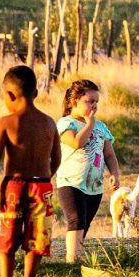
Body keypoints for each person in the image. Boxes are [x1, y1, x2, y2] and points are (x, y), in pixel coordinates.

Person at [0, 65, 61, 277]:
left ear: (9, 95)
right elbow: (56, 158)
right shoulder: (49, 123)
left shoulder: (6, 122)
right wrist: (46, 178)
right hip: (42, 185)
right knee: (38, 237)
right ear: (35, 93)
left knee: (7, 236)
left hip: (14, 186)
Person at [56, 79, 120, 264]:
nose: (93, 106)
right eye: (89, 101)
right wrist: (89, 123)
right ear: (73, 101)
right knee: (75, 219)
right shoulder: (66, 123)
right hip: (71, 182)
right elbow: (77, 142)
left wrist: (115, 173)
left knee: (84, 224)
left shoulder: (101, 127)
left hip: (94, 186)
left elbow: (109, 154)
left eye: (96, 102)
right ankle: (71, 262)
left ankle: (77, 258)